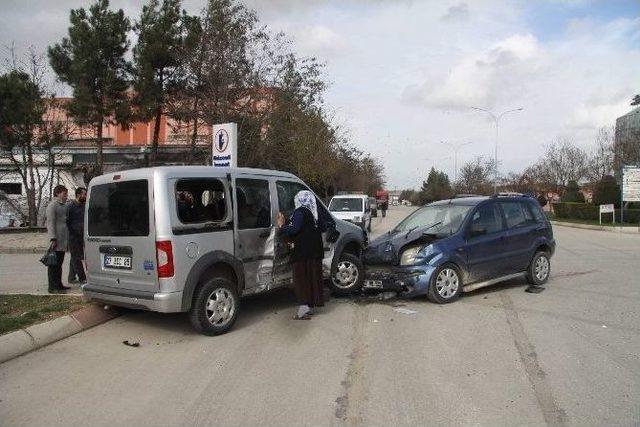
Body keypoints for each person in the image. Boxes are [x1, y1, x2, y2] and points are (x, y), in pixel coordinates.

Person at [277, 190, 327, 320]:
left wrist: (282, 226)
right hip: (315, 253)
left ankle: (303, 309)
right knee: (312, 280)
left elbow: (294, 229)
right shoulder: (315, 212)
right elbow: (323, 227)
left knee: (301, 281)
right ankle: (309, 307)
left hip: (302, 253)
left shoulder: (300, 212)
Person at [46, 185, 69, 293]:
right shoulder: (52, 205)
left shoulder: (63, 205)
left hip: (62, 239)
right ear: (58, 193)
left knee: (59, 264)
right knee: (53, 265)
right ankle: (52, 287)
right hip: (56, 240)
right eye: (64, 194)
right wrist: (52, 238)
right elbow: (50, 223)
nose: (66, 196)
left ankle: (59, 285)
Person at [67, 187, 87, 284]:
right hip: (73, 236)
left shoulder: (84, 205)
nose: (85, 196)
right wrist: (72, 232)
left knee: (74, 257)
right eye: (84, 194)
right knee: (77, 257)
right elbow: (67, 222)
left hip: (81, 235)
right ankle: (82, 278)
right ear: (78, 194)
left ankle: (71, 277)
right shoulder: (71, 206)